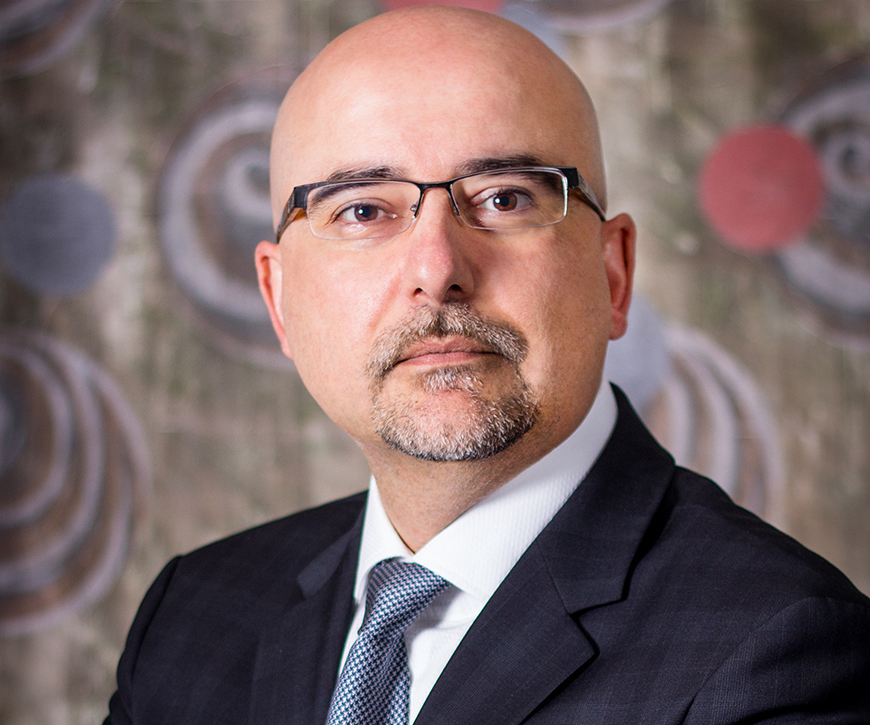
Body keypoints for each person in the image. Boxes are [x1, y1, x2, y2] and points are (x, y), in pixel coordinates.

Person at [105, 6, 870, 724]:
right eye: (363, 210)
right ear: (279, 299)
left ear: (613, 275)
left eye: (505, 199)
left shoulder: (779, 649)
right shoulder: (191, 616)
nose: (437, 269)